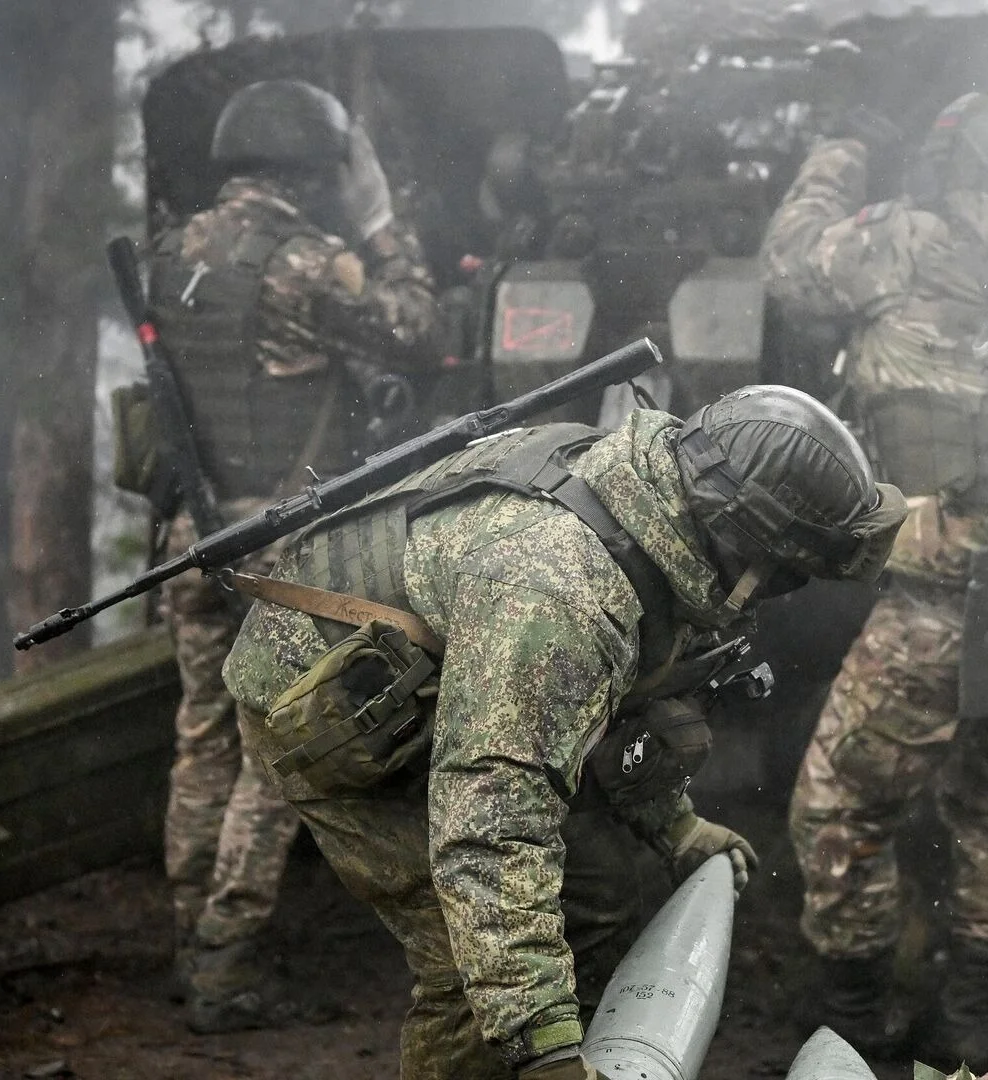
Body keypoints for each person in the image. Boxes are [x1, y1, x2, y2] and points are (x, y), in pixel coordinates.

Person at [220, 386, 907, 1080]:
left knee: (597, 896)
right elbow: (489, 830)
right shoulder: (560, 591)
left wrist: (674, 826)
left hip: (457, 680)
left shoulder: (658, 511)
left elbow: (609, 702)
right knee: (469, 970)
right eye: (790, 575)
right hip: (332, 702)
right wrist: (542, 1048)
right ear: (749, 548)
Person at [761, 90, 988, 1064]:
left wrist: (839, 148)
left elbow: (790, 262)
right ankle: (971, 1024)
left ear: (956, 170)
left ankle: (856, 1018)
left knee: (837, 806)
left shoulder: (911, 242)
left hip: (944, 584)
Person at [145, 77, 437, 1033]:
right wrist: (383, 224)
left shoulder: (172, 252)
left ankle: (191, 938)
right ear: (311, 170)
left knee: (201, 737)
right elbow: (415, 329)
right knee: (276, 752)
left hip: (193, 536)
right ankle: (226, 966)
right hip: (279, 549)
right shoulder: (306, 263)